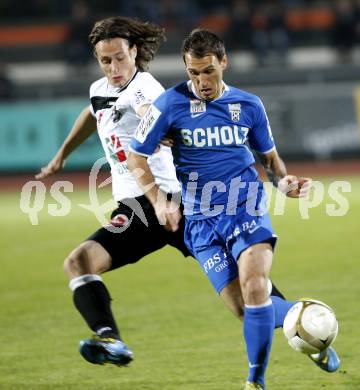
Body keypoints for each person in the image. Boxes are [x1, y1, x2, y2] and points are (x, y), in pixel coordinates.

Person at [35, 15, 287, 369]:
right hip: (157, 208)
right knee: (245, 300)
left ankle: (302, 323)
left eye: (120, 57)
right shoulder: (101, 89)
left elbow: (148, 111)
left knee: (246, 302)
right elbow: (93, 112)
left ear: (134, 52)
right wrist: (61, 155)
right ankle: (301, 321)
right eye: (105, 61)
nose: (114, 67)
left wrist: (162, 133)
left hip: (162, 203)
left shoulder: (148, 91)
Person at [128, 29, 340, 389]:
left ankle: (254, 382)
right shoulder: (169, 105)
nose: (201, 81)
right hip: (200, 222)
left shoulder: (249, 105)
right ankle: (308, 321)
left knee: (255, 286)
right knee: (244, 309)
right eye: (193, 73)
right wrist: (159, 200)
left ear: (223, 62)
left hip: (245, 206)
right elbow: (136, 157)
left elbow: (270, 159)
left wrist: (285, 183)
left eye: (208, 71)